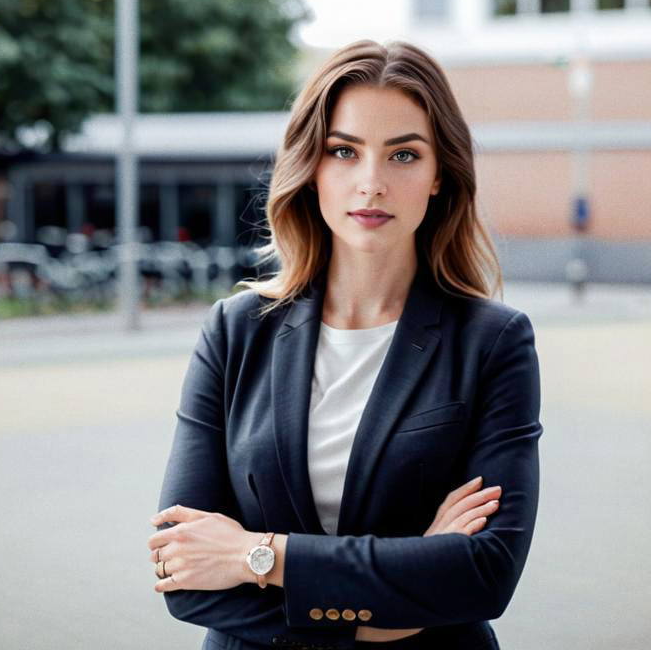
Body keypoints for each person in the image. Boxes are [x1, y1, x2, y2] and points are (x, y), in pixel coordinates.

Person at [147, 39, 543, 650]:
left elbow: (483, 576)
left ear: (440, 174)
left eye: (403, 155)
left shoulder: (493, 343)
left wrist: (258, 555)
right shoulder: (234, 331)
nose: (371, 183)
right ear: (312, 167)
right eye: (343, 151)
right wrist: (391, 613)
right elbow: (183, 571)